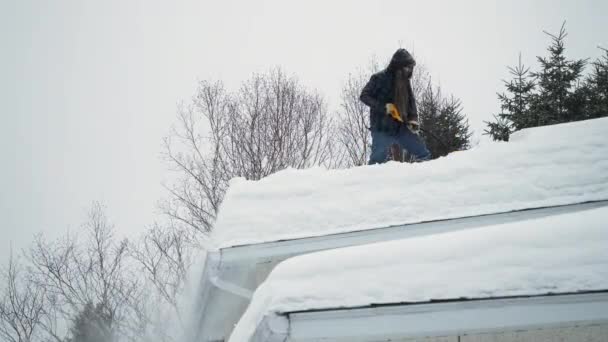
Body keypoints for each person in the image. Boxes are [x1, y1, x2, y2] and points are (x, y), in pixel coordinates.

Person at [360, 48, 431, 164]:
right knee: (376, 162)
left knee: (423, 154)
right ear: (398, 66)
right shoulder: (378, 78)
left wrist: (413, 119)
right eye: (407, 67)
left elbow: (411, 102)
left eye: (410, 68)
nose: (409, 71)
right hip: (381, 128)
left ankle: (420, 180)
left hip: (401, 127)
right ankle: (370, 181)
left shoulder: (405, 82)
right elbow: (364, 96)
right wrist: (384, 107)